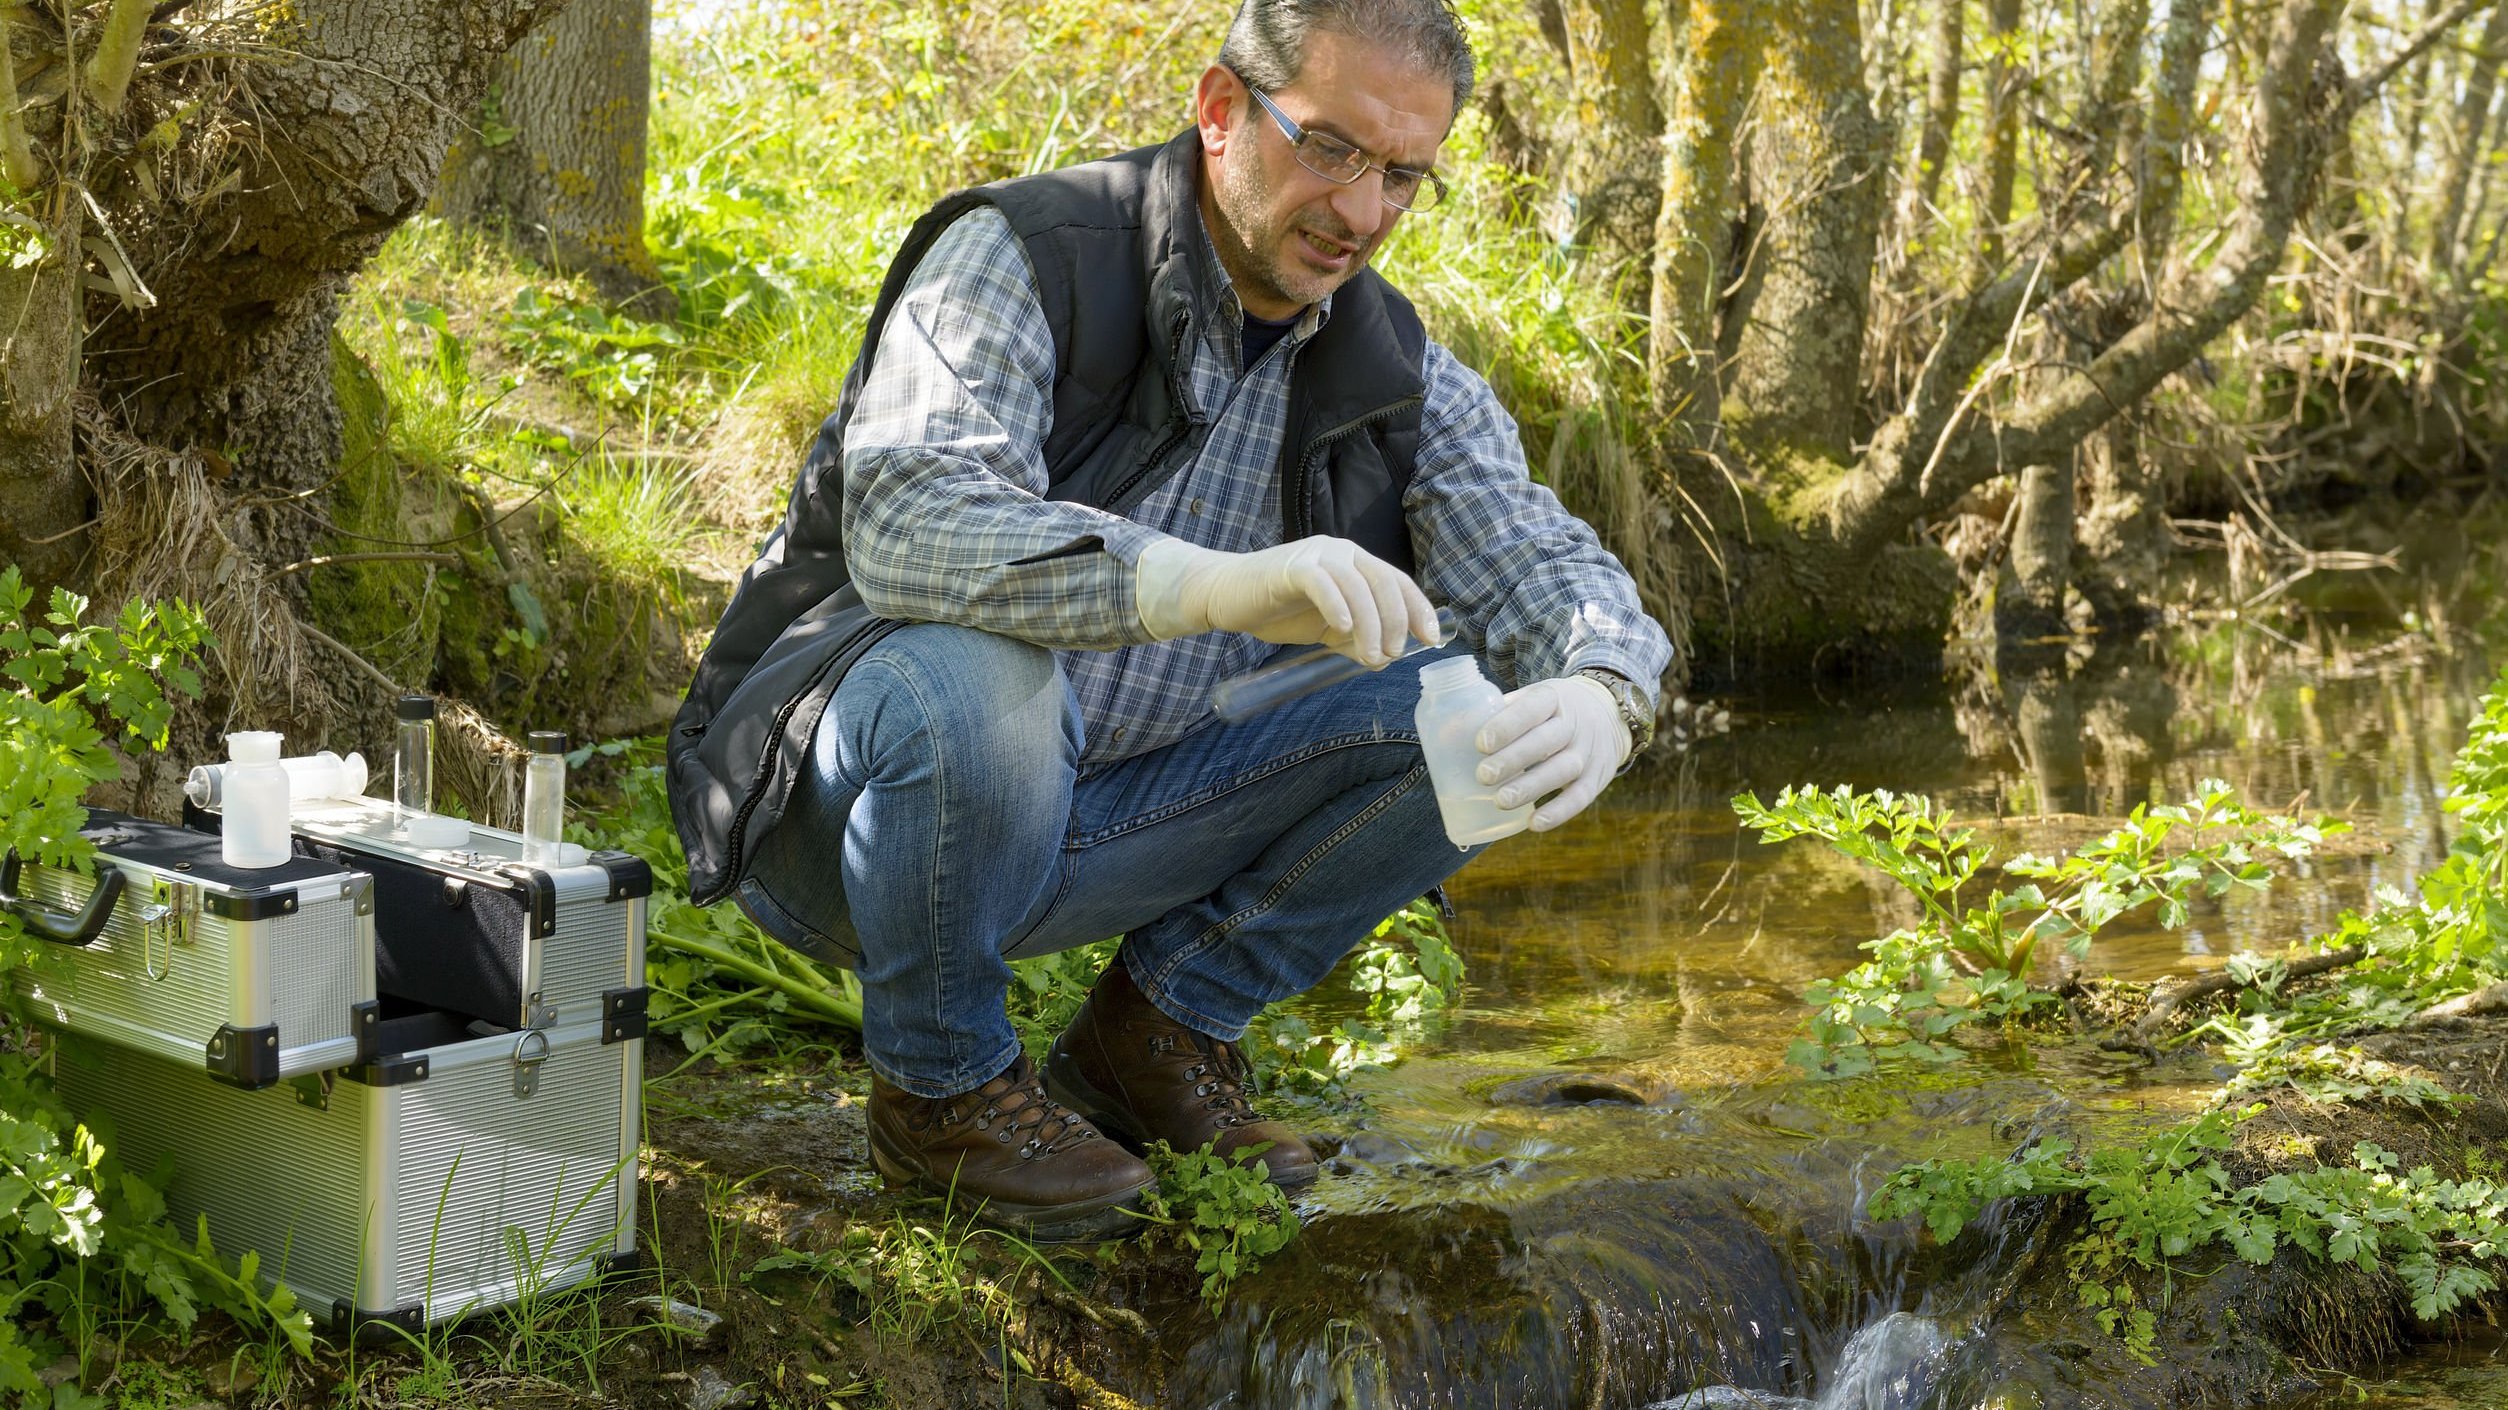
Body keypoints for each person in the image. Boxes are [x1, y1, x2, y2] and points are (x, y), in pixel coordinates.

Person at [666, 0, 1672, 1240]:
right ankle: (942, 1093)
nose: (1362, 213)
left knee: (1472, 710)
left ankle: (1159, 1033)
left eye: (1405, 174)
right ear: (1219, 109)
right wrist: (1197, 583)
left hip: (1119, 826)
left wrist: (1602, 686)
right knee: (982, 676)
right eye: (1333, 148)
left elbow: (1539, 560)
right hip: (854, 815)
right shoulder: (1024, 250)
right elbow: (910, 519)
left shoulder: (1397, 368)